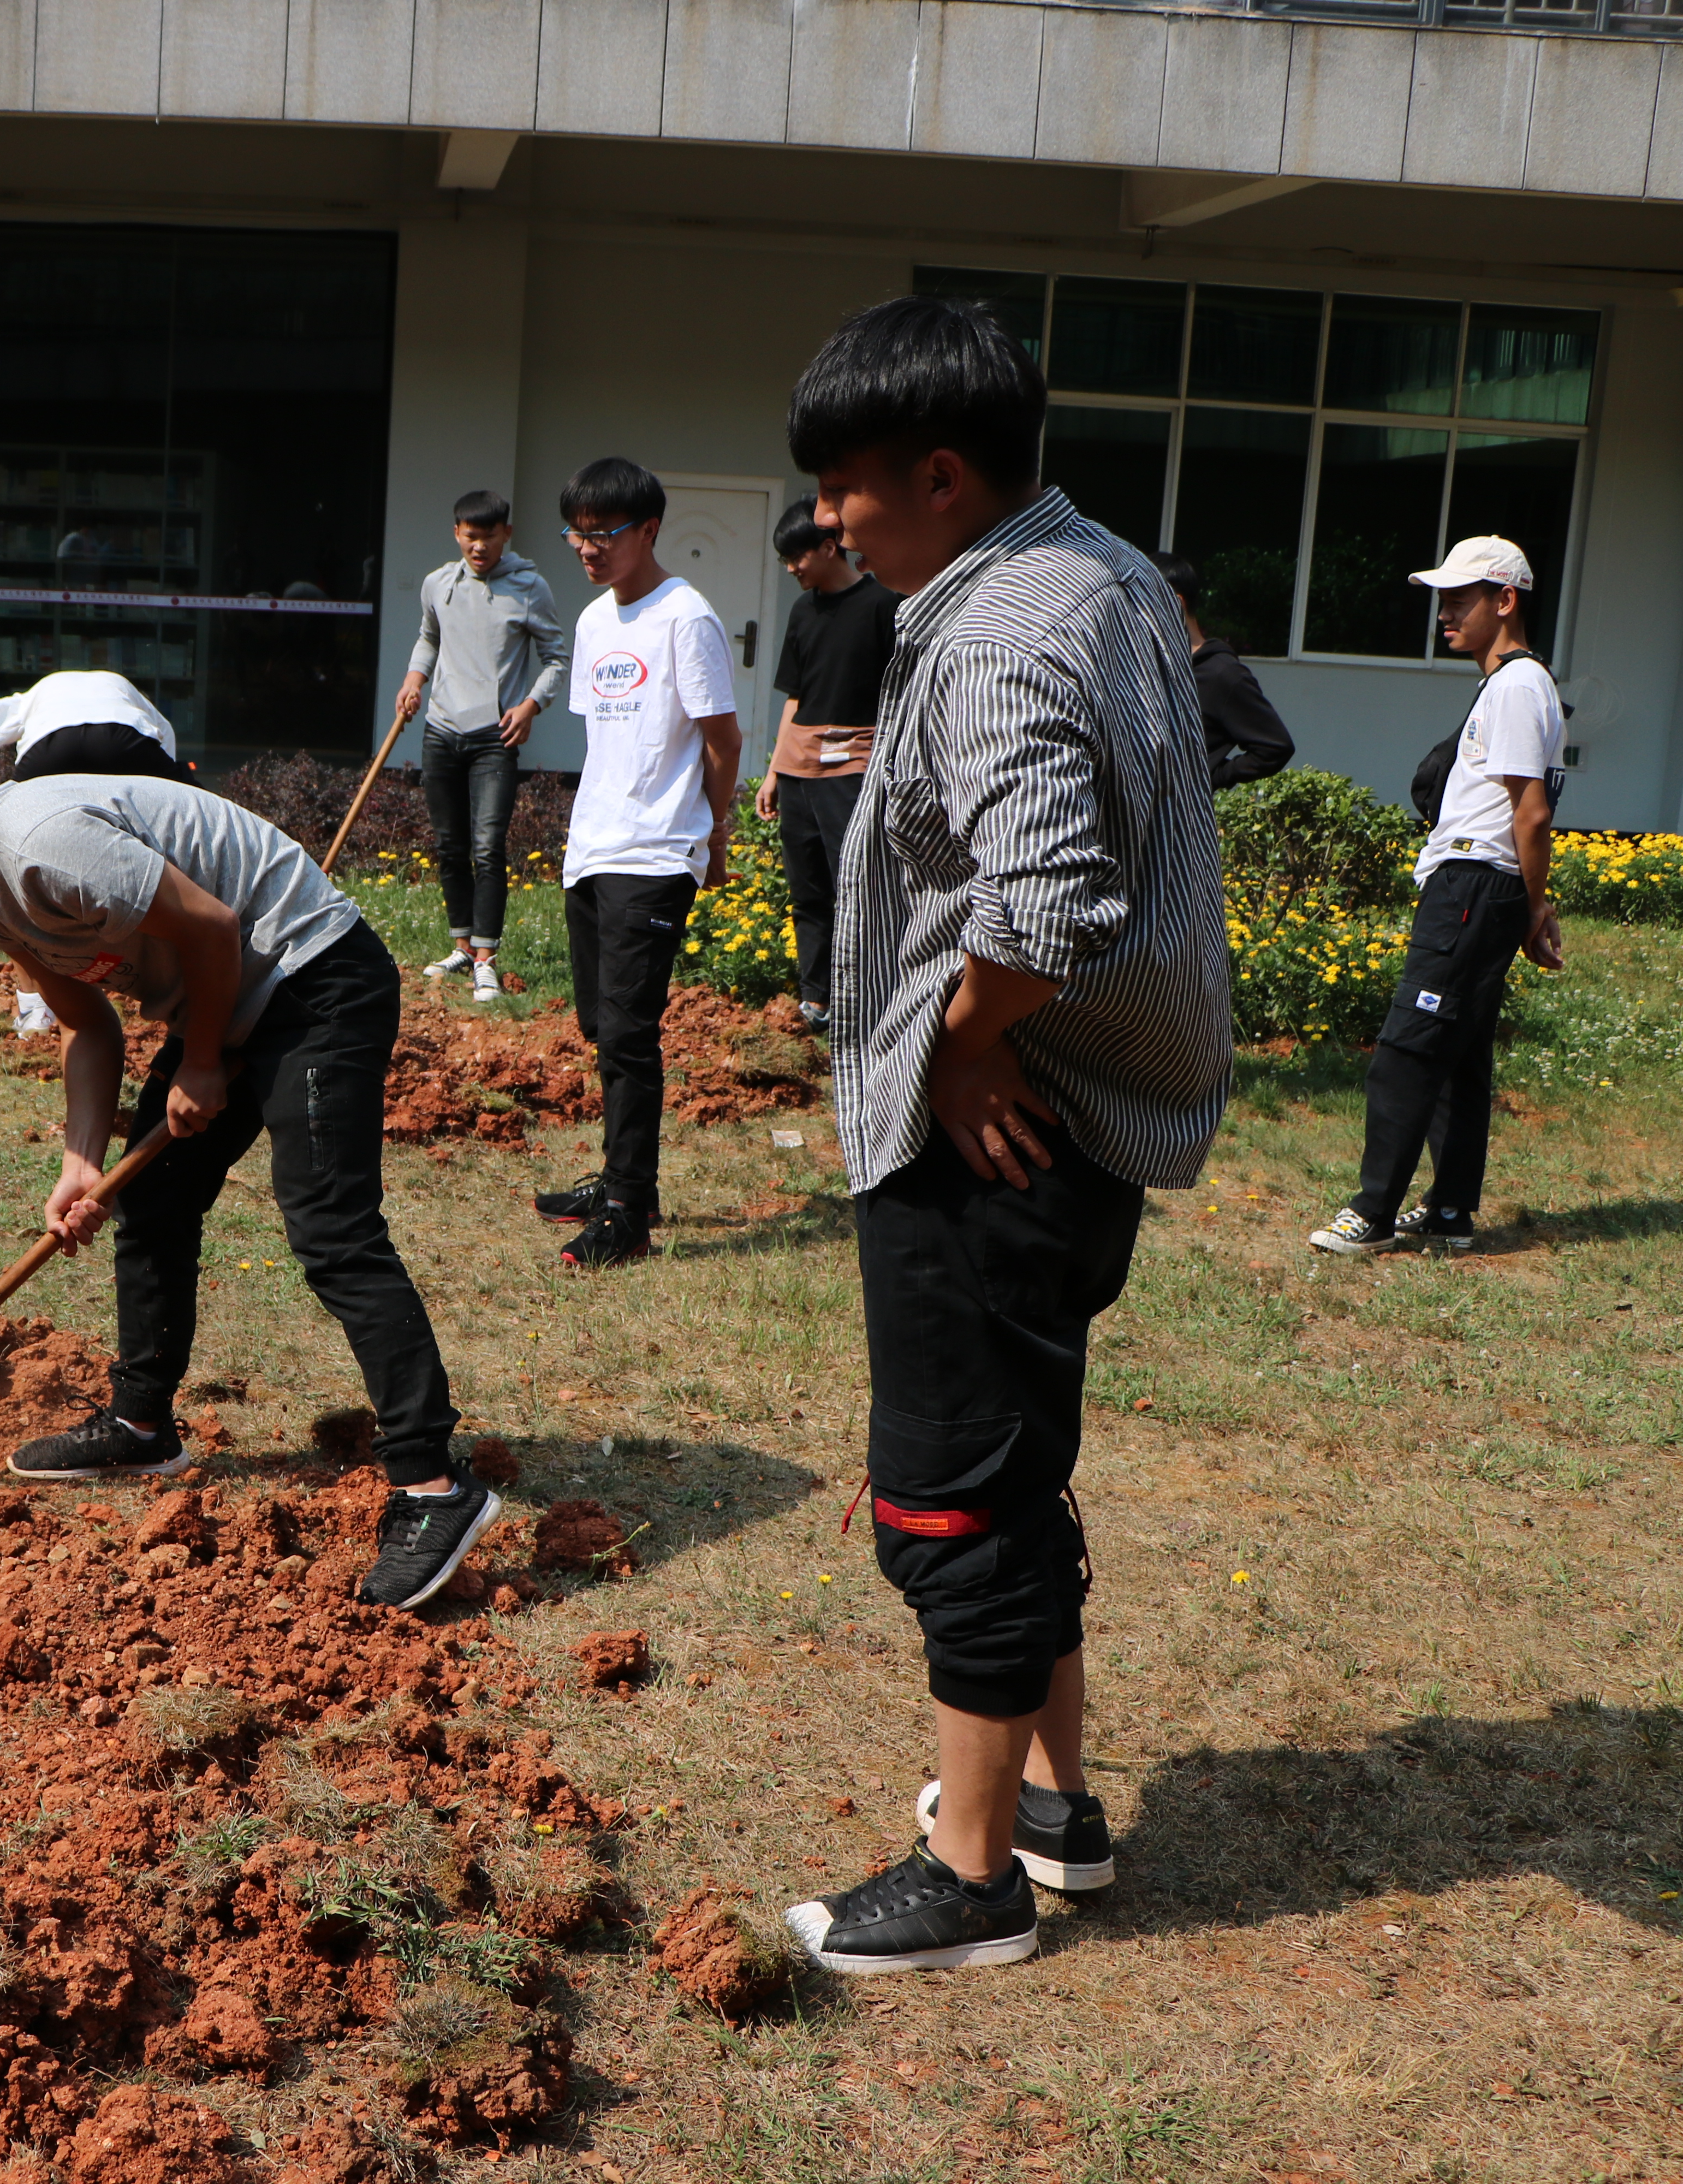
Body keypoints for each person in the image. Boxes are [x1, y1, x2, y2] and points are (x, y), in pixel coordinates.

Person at [776, 295, 1231, 1975]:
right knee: (1018, 1474)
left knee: (950, 1502)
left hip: (1000, 1128)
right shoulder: (1090, 565)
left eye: (849, 492)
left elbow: (1036, 904)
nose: (830, 523)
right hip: (1079, 1119)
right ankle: (1050, 1804)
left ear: (944, 474)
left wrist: (959, 1054)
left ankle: (969, 1881)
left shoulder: (996, 633)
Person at [0, 729, 497, 1611]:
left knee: (331, 1228)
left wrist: (203, 1060)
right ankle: (141, 1423)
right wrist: (79, 1165)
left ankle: (433, 1487)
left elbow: (213, 924)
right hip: (233, 993)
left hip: (315, 979)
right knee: (152, 1197)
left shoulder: (42, 843)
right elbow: (90, 1026)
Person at [1307, 538, 1565, 1257]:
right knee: (1458, 1055)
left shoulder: (1515, 687)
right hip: (1482, 890)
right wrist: (1527, 904)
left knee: (1407, 1051)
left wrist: (1532, 906)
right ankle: (1450, 1213)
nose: (1444, 613)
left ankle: (1374, 1214)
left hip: (1471, 889)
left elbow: (1532, 813)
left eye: (1460, 599)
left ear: (1505, 600)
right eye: (1443, 599)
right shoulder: (1519, 685)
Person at [530, 459, 740, 1271]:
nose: (586, 549)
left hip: (657, 850)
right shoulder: (592, 623)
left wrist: (711, 837)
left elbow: (722, 740)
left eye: (603, 534)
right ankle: (627, 1181)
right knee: (599, 1026)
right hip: (596, 847)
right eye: (576, 533)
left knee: (627, 1033)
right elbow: (608, 742)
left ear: (649, 531)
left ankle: (627, 1214)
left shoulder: (686, 619)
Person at [393, 489, 570, 1002]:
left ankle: (487, 959)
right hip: (441, 732)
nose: (479, 547)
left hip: (495, 738)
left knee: (488, 846)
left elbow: (557, 659)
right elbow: (430, 636)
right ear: (457, 535)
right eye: (470, 537)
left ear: (505, 535)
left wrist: (532, 705)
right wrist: (414, 678)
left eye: (489, 537)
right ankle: (463, 946)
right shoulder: (437, 585)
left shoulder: (530, 589)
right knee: (451, 846)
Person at [752, 496, 899, 1031]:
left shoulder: (884, 604)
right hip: (797, 767)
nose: (792, 568)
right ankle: (815, 997)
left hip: (854, 763)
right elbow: (794, 696)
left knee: (855, 886)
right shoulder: (801, 610)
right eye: (786, 559)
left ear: (829, 546)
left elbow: (896, 695)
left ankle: (863, 996)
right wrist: (772, 771)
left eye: (798, 556)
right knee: (807, 888)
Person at [1150, 551, 1294, 791]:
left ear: (1175, 603)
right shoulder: (1145, 665)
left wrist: (1210, 776)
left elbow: (1275, 747)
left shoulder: (1222, 675)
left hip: (1179, 825)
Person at [0, 668, 189, 794]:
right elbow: (167, 789)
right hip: (125, 739)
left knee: (5, 824)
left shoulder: (37, 693)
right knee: (200, 804)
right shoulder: (133, 696)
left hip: (50, 747)